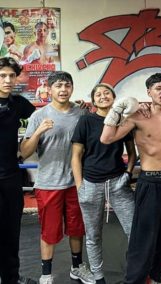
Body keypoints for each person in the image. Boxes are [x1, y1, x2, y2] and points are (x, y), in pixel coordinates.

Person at [100, 72, 161, 284]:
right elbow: (106, 138)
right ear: (149, 92)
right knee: (144, 235)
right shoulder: (137, 117)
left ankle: (158, 275)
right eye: (158, 88)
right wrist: (116, 110)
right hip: (149, 182)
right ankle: (135, 279)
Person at [20, 71, 95, 284]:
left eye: (67, 85)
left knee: (76, 228)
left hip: (75, 182)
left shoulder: (82, 114)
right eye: (58, 86)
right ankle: (46, 274)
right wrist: (37, 133)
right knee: (49, 231)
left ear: (72, 88)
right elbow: (24, 152)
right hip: (49, 184)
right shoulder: (39, 116)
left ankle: (77, 267)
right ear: (50, 89)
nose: (63, 90)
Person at [71, 83, 136, 284]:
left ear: (114, 97)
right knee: (93, 235)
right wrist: (80, 185)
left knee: (134, 229)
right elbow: (76, 155)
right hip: (91, 182)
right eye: (98, 94)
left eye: (106, 92)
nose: (102, 96)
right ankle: (98, 277)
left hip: (118, 181)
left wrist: (128, 173)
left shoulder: (122, 121)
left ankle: (135, 271)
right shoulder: (86, 120)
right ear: (93, 100)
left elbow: (132, 152)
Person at [0, 57, 36, 284]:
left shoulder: (19, 103)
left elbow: (44, 117)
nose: (7, 80)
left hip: (11, 176)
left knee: (11, 231)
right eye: (2, 75)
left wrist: (77, 106)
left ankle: (11, 278)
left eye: (11, 76)